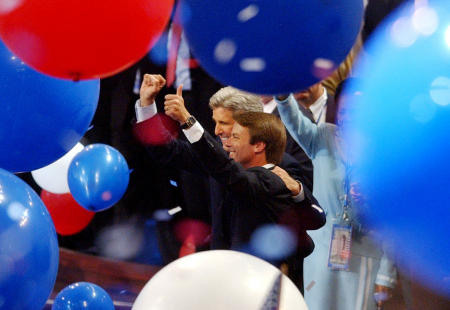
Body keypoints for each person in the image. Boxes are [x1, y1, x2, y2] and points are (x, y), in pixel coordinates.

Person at [136, 74, 325, 292]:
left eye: (224, 124)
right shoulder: (217, 154)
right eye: (215, 122)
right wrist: (147, 105)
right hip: (225, 270)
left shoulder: (281, 167)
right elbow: (168, 151)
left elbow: (314, 216)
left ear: (250, 124)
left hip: (269, 281)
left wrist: (188, 120)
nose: (217, 131)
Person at [275, 79, 397, 310]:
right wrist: (283, 96)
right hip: (321, 256)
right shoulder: (323, 136)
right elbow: (294, 120)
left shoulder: (386, 151)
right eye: (345, 109)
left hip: (365, 257)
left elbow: (394, 221)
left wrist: (385, 275)